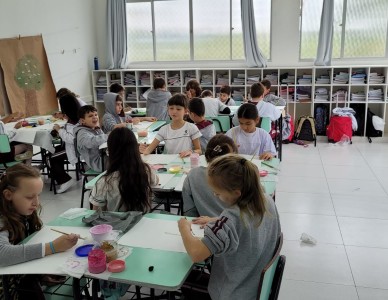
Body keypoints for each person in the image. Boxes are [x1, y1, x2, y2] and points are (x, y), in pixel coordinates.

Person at [178, 154, 281, 300]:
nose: (215, 195)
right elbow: (245, 223)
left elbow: (196, 254)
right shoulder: (266, 200)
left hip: (233, 292)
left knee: (185, 278)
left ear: (236, 193)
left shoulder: (229, 219)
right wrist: (216, 220)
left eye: (218, 193)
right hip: (257, 287)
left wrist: (183, 227)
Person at [0, 164, 79, 299]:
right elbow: (2, 254)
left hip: (20, 275)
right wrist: (52, 247)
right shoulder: (2, 219)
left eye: (38, 195)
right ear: (8, 195)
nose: (36, 203)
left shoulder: (22, 211)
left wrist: (40, 274)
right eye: (30, 197)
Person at [89, 127, 158, 212]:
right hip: (142, 222)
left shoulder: (104, 181)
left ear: (110, 151)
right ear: (135, 149)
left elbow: (95, 213)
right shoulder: (146, 171)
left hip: (116, 224)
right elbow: (156, 181)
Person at [182, 134, 237, 217]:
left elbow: (189, 210)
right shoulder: (240, 176)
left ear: (207, 155)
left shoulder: (193, 174)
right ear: (235, 155)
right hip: (234, 227)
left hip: (202, 226)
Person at [49, 94, 81, 193]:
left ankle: (65, 180)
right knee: (52, 152)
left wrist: (59, 130)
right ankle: (59, 175)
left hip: (74, 150)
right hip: (72, 148)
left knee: (51, 157)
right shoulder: (77, 117)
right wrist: (61, 130)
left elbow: (72, 139)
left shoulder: (73, 122)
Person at [74, 105, 108, 172]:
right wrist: (109, 136)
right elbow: (90, 142)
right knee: (126, 159)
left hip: (104, 157)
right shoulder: (82, 133)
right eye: (90, 116)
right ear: (82, 121)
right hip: (98, 163)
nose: (94, 117)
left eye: (96, 115)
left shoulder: (95, 128)